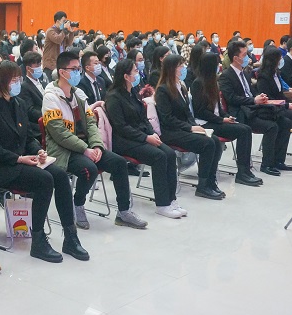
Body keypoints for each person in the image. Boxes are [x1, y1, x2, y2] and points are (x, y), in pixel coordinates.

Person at [0, 61, 89, 261]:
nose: (17, 83)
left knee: (60, 175)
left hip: (25, 161)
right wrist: (19, 158)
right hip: (3, 167)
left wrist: (38, 150)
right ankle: (38, 240)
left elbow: (28, 137)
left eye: (18, 78)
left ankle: (70, 236)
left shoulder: (18, 103)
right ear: (2, 81)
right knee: (44, 180)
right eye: (13, 79)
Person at [43, 52, 147, 229]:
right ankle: (78, 204)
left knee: (119, 163)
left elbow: (91, 123)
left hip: (87, 146)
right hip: (64, 150)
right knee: (89, 169)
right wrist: (85, 149)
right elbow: (59, 133)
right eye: (74, 69)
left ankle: (124, 212)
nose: (78, 73)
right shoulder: (51, 97)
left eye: (79, 69)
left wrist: (97, 145)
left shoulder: (79, 94)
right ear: (62, 72)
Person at [104, 59, 183, 218]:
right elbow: (121, 127)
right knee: (159, 156)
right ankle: (162, 204)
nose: (138, 73)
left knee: (169, 153)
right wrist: (146, 138)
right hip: (125, 141)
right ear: (126, 76)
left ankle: (171, 199)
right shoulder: (113, 97)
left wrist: (152, 133)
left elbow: (144, 118)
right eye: (134, 71)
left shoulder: (133, 92)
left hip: (142, 136)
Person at [219, 40, 292, 176]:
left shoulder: (245, 73)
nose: (248, 57)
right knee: (271, 126)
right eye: (244, 55)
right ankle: (267, 164)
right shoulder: (226, 76)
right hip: (241, 111)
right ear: (236, 58)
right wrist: (254, 100)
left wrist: (260, 97)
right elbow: (231, 98)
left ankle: (278, 160)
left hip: (254, 108)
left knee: (285, 122)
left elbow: (250, 92)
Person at [155, 55, 224, 199]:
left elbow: (188, 113)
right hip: (171, 131)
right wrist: (190, 128)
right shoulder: (163, 90)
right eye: (180, 66)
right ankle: (203, 186)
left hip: (184, 128)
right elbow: (167, 118)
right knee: (207, 144)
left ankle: (210, 181)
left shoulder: (181, 86)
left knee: (215, 141)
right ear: (172, 69)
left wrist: (196, 126)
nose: (183, 68)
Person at [190, 53, 263, 186]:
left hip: (216, 120)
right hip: (206, 123)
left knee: (246, 129)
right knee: (243, 130)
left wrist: (226, 116)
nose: (219, 66)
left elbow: (218, 108)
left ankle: (245, 170)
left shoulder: (214, 81)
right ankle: (242, 172)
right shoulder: (198, 83)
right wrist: (221, 120)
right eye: (217, 63)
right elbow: (200, 112)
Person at [43, 11, 78, 78]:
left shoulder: (61, 32)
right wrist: (64, 30)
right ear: (57, 21)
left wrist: (71, 32)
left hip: (60, 64)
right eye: (64, 21)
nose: (65, 23)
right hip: (50, 65)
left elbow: (69, 43)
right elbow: (58, 40)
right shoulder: (50, 31)